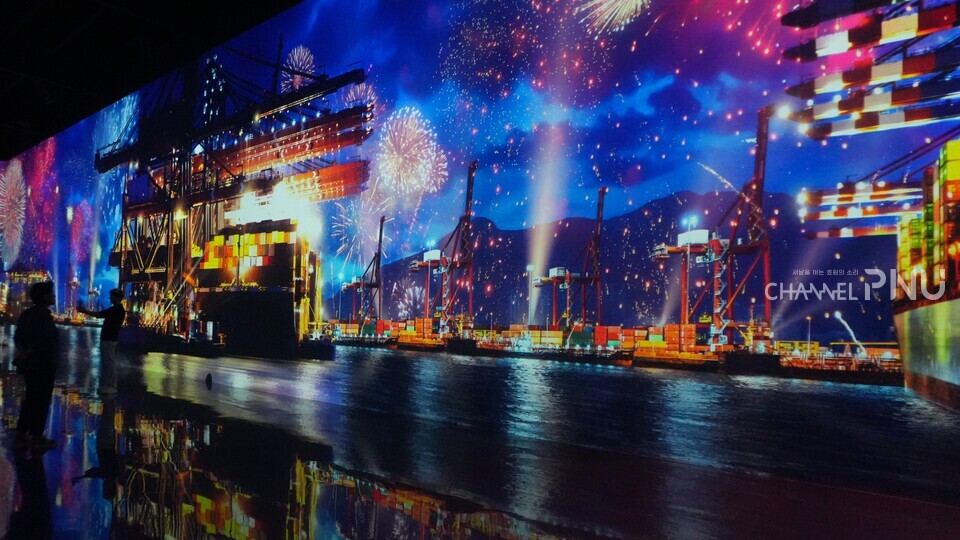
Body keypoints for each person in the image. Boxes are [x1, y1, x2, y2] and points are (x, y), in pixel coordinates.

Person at [13, 281, 60, 450]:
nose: (54, 296)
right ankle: (36, 436)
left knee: (31, 398)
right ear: (46, 297)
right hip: (43, 364)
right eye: (51, 293)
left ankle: (21, 431)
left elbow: (18, 338)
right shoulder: (43, 316)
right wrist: (31, 352)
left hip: (29, 365)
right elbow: (42, 341)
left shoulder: (27, 314)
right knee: (41, 400)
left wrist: (22, 355)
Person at [78, 288, 126, 395]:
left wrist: (84, 311)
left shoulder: (116, 309)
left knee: (109, 362)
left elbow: (99, 314)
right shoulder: (117, 309)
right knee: (107, 362)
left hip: (109, 339)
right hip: (108, 338)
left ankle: (112, 386)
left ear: (116, 297)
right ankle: (108, 385)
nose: (110, 298)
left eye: (112, 296)